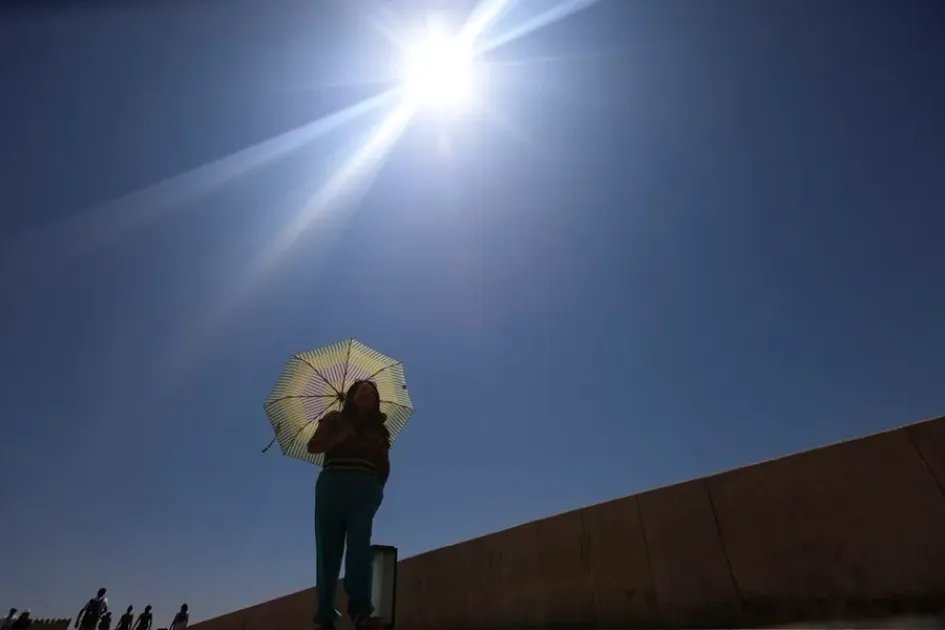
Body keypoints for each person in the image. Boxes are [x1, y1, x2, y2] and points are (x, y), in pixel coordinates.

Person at [308, 380, 390, 630]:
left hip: (364, 490)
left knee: (359, 550)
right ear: (352, 396)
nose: (368, 393)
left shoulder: (380, 432)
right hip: (332, 487)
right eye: (362, 389)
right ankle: (325, 617)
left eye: (372, 391)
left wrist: (377, 491)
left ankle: (361, 613)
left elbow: (384, 465)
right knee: (328, 553)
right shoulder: (334, 420)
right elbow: (313, 446)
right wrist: (340, 436)